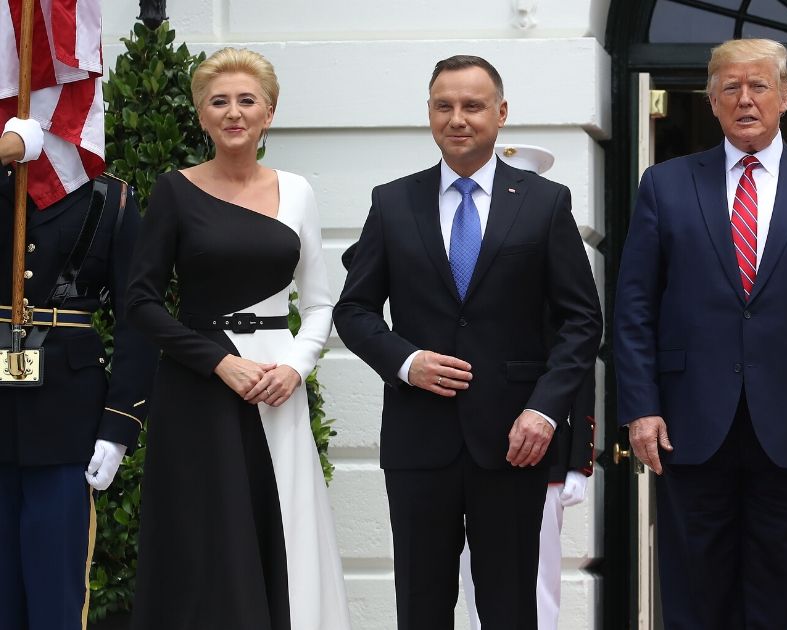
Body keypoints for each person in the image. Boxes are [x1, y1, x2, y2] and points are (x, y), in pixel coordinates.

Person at [614, 38, 787, 629]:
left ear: (785, 96)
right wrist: (641, 408)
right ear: (710, 101)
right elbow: (634, 307)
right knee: (693, 592)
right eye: (730, 87)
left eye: (759, 85)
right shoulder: (666, 184)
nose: (745, 99)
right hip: (689, 423)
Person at [333, 56, 602, 630]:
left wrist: (546, 410)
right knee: (422, 606)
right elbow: (353, 309)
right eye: (444, 106)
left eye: (472, 106)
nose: (458, 119)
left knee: (509, 608)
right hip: (418, 439)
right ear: (429, 114)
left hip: (514, 441)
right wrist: (404, 361)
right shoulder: (392, 202)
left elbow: (582, 320)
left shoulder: (545, 202)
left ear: (500, 113)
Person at [125, 48, 350, 629]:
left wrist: (296, 367)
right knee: (205, 533)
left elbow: (321, 302)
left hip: (278, 384)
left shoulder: (297, 191)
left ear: (268, 112)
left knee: (284, 523)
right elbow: (141, 301)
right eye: (218, 102)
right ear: (201, 115)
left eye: (246, 101)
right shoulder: (174, 190)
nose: (233, 112)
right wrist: (219, 364)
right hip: (198, 386)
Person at [1, 118, 156, 627]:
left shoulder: (108, 198)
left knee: (54, 590)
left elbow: (138, 318)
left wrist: (119, 425)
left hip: (67, 419)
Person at [457, 144, 598, 630]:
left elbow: (576, 364)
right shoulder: (459, 261)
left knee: (535, 592)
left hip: (537, 453)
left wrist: (576, 457)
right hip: (462, 449)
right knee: (475, 586)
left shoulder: (551, 263)